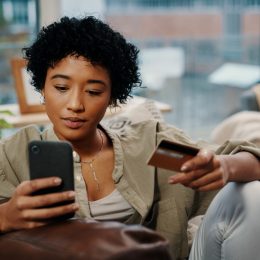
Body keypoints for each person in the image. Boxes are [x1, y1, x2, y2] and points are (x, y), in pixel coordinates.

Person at [0, 16, 260, 259]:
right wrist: (6, 216)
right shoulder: (12, 156)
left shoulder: (149, 147)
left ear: (112, 95)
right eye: (61, 88)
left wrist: (225, 166)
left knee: (252, 194)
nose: (75, 104)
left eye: (93, 91)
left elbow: (248, 156)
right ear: (42, 87)